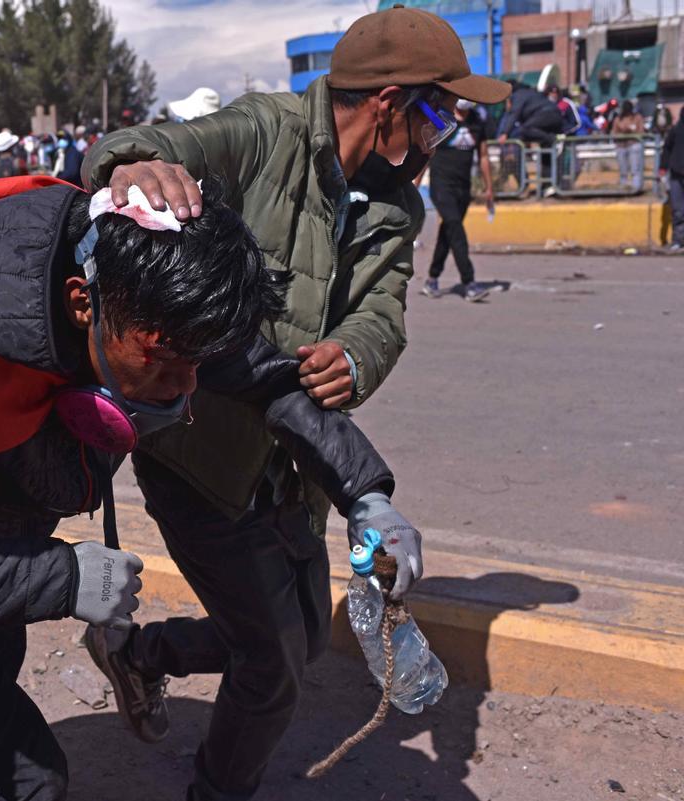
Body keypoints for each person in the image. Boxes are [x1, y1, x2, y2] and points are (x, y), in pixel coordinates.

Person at [0, 175, 419, 801]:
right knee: (25, 778)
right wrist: (62, 578)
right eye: (165, 363)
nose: (183, 389)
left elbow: (271, 380)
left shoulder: (148, 295)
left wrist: (366, 495)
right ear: (80, 304)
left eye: (196, 366)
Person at [80, 7, 510, 800]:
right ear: (389, 103)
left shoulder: (395, 209)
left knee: (308, 635)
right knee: (272, 671)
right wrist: (138, 166)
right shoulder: (264, 132)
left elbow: (383, 313)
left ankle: (141, 655)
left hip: (296, 465)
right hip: (202, 458)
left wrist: (356, 352)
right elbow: (140, 150)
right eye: (437, 116)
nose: (440, 136)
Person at [422, 99, 494, 301]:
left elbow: (484, 156)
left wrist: (489, 187)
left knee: (449, 231)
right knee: (455, 226)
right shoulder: (442, 120)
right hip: (441, 186)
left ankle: (432, 279)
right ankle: (469, 282)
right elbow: (426, 153)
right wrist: (414, 184)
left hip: (463, 188)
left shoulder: (477, 122)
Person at [658, 111, 684, 251]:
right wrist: (663, 167)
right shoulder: (676, 130)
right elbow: (667, 149)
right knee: (678, 210)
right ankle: (678, 241)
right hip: (676, 174)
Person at [612, 100, 645, 192]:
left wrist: (631, 132)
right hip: (621, 146)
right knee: (623, 169)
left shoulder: (637, 118)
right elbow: (614, 133)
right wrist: (623, 132)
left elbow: (641, 132)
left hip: (634, 144)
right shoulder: (618, 119)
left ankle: (636, 187)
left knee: (635, 168)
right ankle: (624, 187)